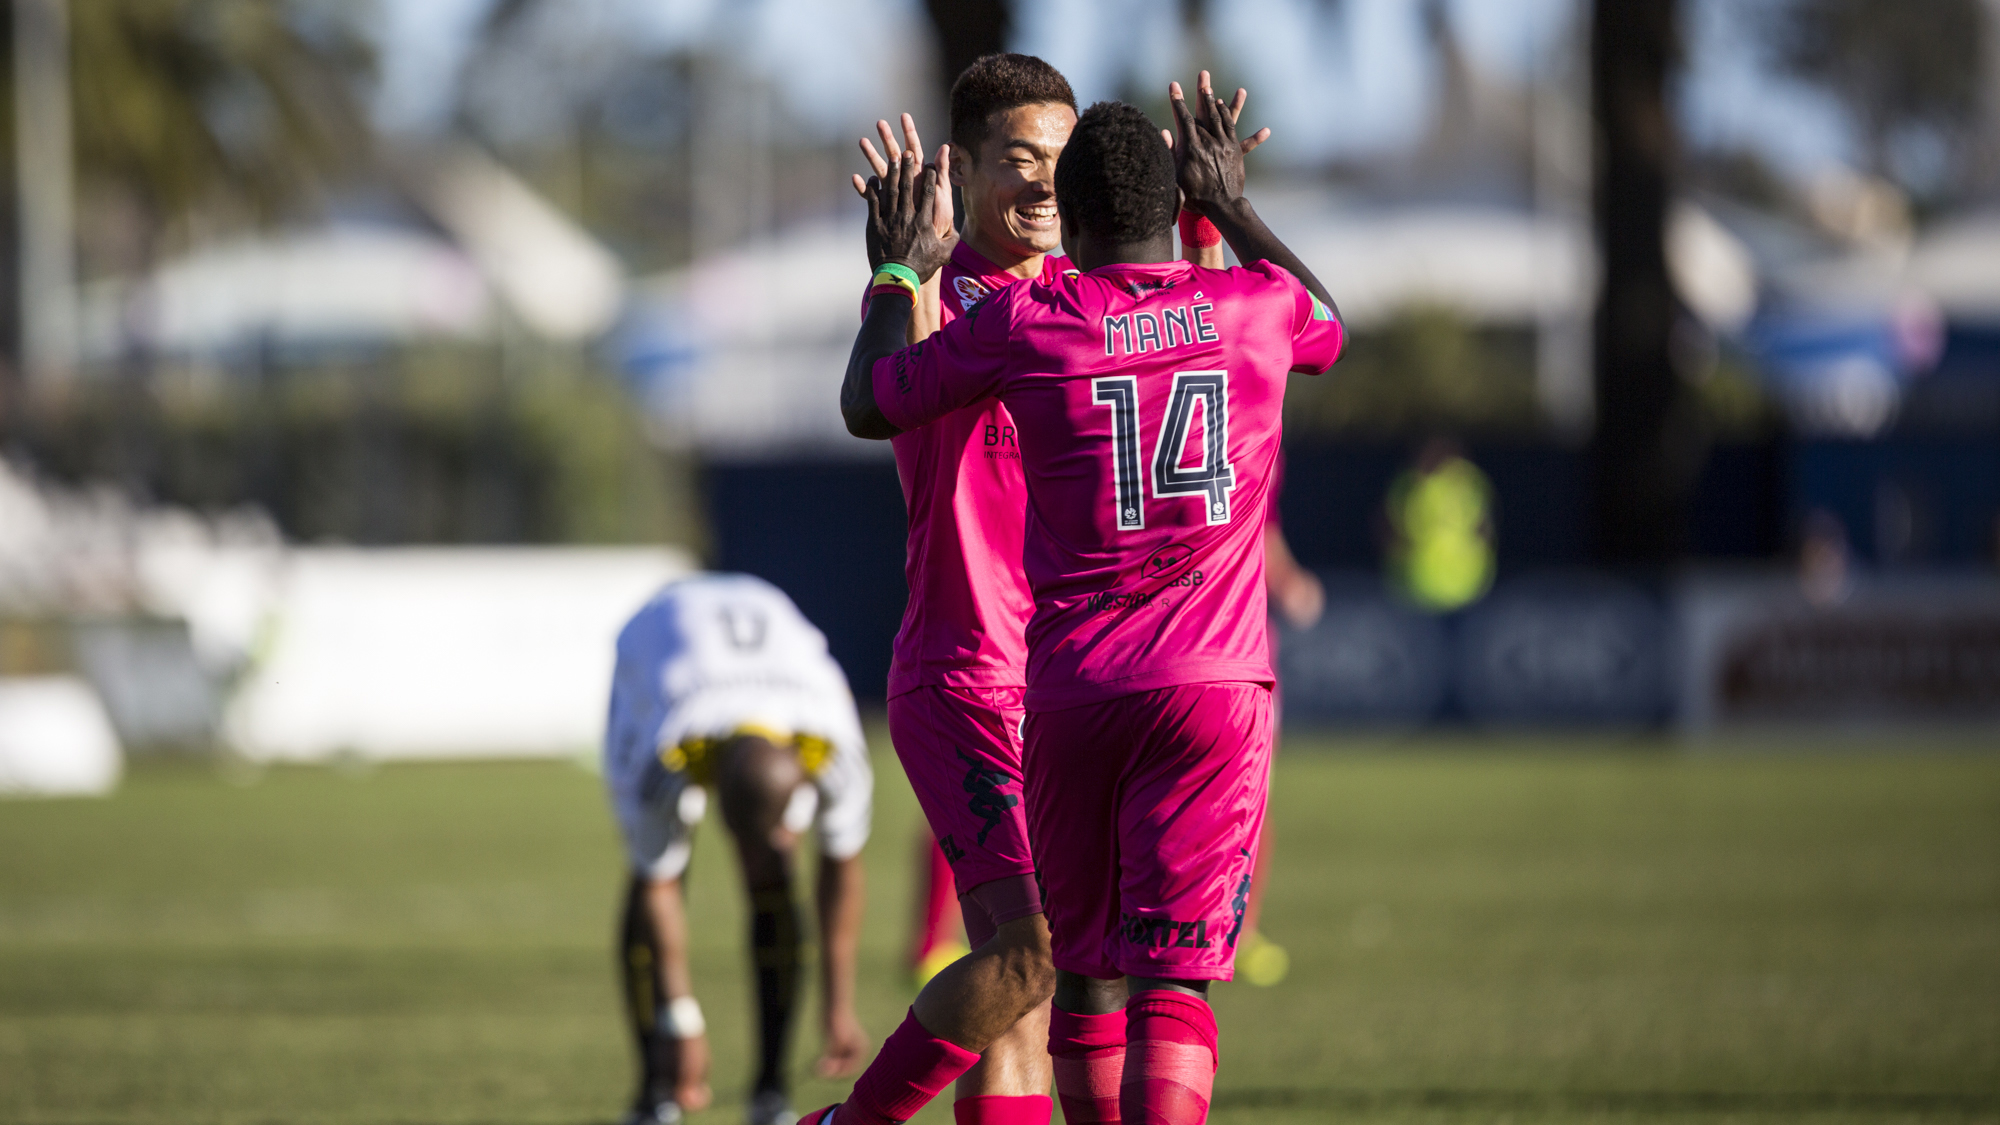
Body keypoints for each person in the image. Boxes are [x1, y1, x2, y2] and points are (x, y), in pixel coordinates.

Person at [819, 74, 1342, 1125]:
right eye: (1019, 160)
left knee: (1042, 978)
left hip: (1063, 682)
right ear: (959, 172)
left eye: (1062, 164)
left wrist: (1200, 221)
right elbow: (873, 397)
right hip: (972, 671)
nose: (1044, 185)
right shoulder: (943, 298)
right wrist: (897, 269)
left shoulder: (1066, 303)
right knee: (1031, 965)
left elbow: (1191, 319)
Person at [605, 573, 873, 1125]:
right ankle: (654, 1088)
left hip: (765, 625)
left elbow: (841, 865)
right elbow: (657, 881)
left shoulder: (837, 745)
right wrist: (683, 1019)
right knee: (654, 858)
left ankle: (770, 1088)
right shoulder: (668, 749)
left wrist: (839, 1005)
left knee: (775, 881)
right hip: (653, 650)